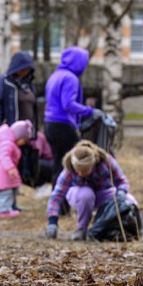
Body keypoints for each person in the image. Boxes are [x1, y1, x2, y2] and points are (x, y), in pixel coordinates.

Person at [44, 140, 134, 241]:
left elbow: (122, 181)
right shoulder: (69, 168)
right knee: (86, 194)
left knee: (129, 200)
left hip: (102, 194)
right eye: (77, 170)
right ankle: (81, 229)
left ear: (93, 163)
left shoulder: (106, 161)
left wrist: (121, 192)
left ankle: (118, 229)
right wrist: (52, 222)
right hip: (79, 195)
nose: (80, 174)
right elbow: (57, 195)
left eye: (84, 170)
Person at [43, 46, 104, 187]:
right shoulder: (70, 78)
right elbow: (68, 104)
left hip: (49, 124)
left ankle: (57, 202)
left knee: (58, 164)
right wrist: (90, 111)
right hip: (63, 125)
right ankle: (66, 201)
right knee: (72, 163)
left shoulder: (56, 75)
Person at [0, 51, 40, 186]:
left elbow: (34, 108)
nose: (25, 71)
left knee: (24, 162)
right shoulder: (5, 82)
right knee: (8, 161)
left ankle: (19, 188)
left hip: (26, 133)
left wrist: (34, 132)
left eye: (27, 68)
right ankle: (3, 190)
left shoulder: (29, 85)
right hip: (11, 133)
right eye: (22, 68)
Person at [0, 120, 32, 218]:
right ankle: (4, 210)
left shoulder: (11, 143)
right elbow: (4, 156)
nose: (24, 143)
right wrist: (10, 168)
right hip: (3, 173)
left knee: (12, 190)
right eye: (24, 140)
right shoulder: (7, 144)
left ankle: (8, 206)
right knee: (6, 191)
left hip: (7, 172)